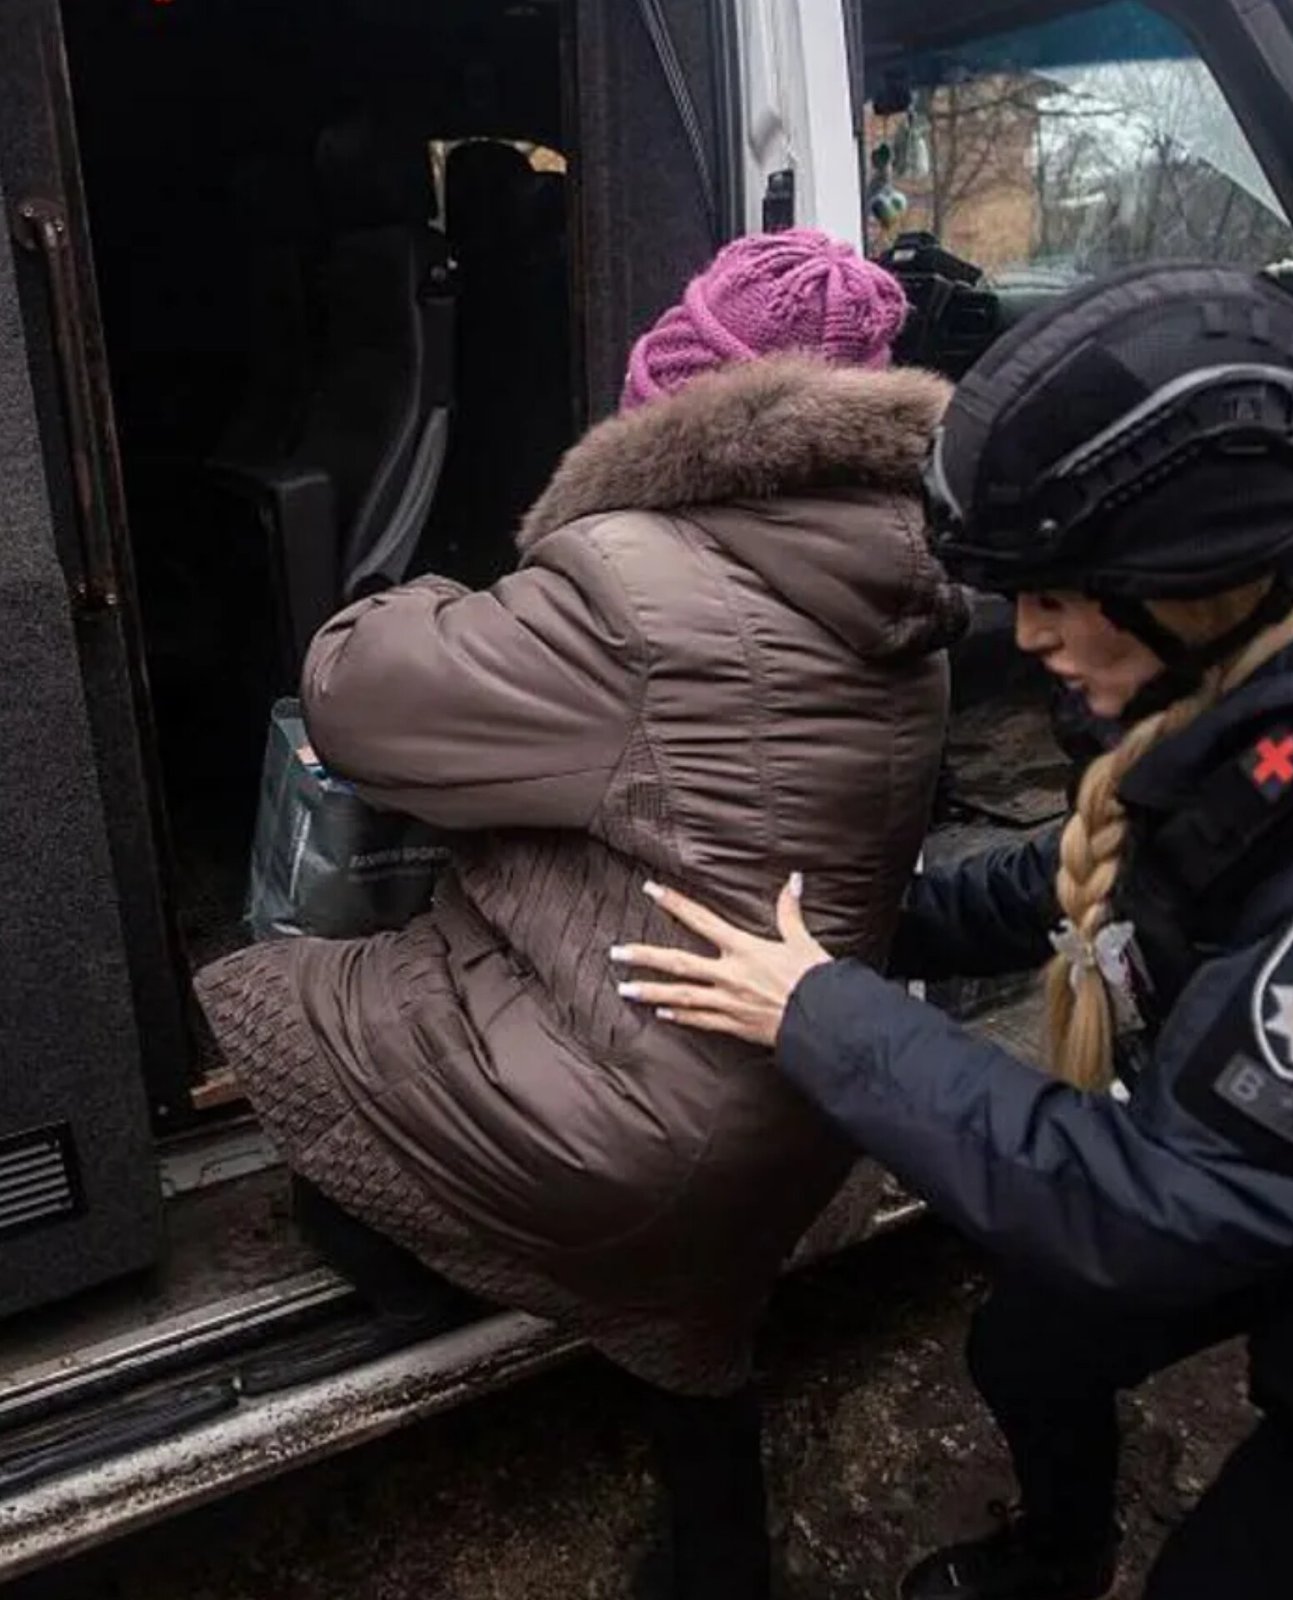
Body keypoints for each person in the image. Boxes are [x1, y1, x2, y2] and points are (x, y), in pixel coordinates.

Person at [611, 265, 1293, 1598]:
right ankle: (1056, 1560)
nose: (1027, 637)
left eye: (1059, 594)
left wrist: (823, 1016)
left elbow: (1157, 1206)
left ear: (1193, 581)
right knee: (1029, 1346)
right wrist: (863, 927)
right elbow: (1124, 868)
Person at [195, 228, 966, 1600]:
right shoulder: (905, 597)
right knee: (689, 1312)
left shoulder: (631, 586)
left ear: (678, 403)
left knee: (293, 1009)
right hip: (804, 1104)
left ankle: (458, 1271)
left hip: (632, 1143)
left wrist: (425, 592)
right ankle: (719, 1559)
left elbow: (357, 704)